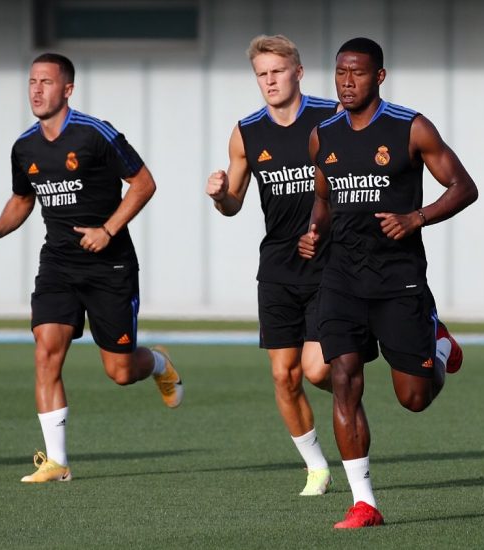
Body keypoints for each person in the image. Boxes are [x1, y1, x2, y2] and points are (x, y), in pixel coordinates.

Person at [0, 52, 183, 483]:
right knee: (46, 352)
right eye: (32, 81)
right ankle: (58, 462)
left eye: (46, 82)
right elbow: (23, 200)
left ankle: (159, 364)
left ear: (67, 89)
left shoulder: (95, 133)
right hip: (58, 265)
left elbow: (144, 183)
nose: (36, 90)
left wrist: (107, 229)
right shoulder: (24, 147)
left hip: (110, 266)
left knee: (120, 371)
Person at [298, 37, 477, 529]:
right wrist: (314, 232)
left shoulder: (410, 127)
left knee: (413, 398)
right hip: (341, 278)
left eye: (357, 73)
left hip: (399, 280)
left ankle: (438, 344)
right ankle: (365, 503)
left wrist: (416, 217)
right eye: (340, 73)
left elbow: (464, 187)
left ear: (379, 76)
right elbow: (324, 200)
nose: (347, 82)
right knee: (343, 378)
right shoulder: (322, 135)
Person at [205, 34, 343, 496]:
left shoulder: (330, 117)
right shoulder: (246, 132)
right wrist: (220, 194)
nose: (269, 80)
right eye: (261, 74)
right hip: (278, 268)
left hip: (329, 261)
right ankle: (317, 468)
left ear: (298, 72)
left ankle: (351, 377)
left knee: (317, 370)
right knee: (284, 376)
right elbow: (233, 204)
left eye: (277, 71)